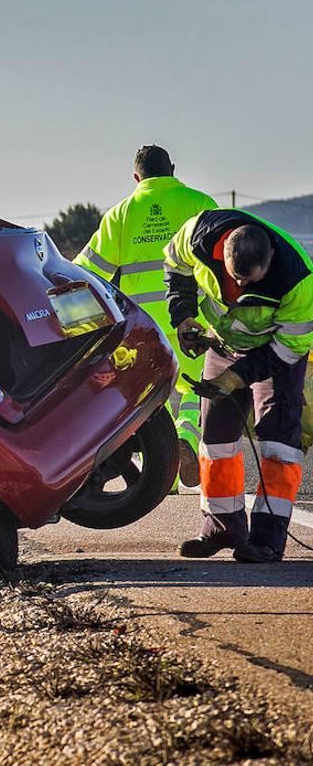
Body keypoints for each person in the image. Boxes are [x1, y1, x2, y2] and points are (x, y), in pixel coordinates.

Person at [165, 211, 313, 563]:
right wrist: (183, 316)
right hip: (223, 345)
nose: (241, 288)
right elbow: (174, 263)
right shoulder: (197, 234)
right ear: (222, 255)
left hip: (275, 355)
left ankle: (267, 540)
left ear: (270, 261)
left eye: (251, 281)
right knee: (215, 442)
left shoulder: (298, 280)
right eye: (236, 279)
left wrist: (235, 378)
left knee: (278, 444)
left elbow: (289, 347)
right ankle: (221, 527)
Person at [75, 145, 218, 487]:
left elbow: (87, 270)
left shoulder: (121, 214)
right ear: (173, 169)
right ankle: (188, 433)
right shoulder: (200, 204)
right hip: (191, 316)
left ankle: (165, 474)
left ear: (136, 178)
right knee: (196, 385)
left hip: (144, 324)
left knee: (156, 396)